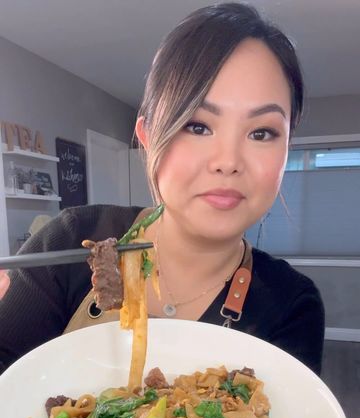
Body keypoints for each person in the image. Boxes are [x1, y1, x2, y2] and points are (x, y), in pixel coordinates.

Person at [0, 2, 324, 377]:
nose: (228, 161)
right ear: (148, 139)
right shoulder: (71, 240)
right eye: (198, 126)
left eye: (262, 132)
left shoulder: (292, 305)